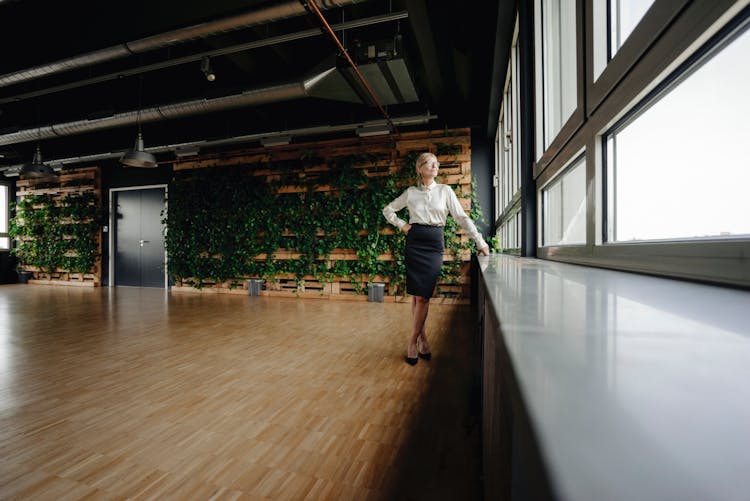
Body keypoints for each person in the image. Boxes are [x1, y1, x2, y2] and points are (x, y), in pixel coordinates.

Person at [382, 152, 490, 365]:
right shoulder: (411, 193)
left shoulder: (445, 191)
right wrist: (402, 225)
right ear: (420, 168)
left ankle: (413, 340)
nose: (435, 166)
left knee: (424, 296)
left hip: (433, 244)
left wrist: (480, 242)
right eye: (429, 163)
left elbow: (461, 217)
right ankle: (421, 340)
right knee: (417, 296)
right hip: (414, 242)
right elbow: (388, 210)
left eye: (436, 163)